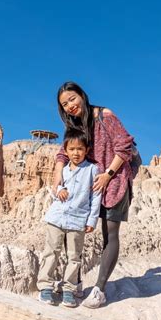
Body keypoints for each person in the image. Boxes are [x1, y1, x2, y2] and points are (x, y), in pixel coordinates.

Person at [53, 81, 134, 308]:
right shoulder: (75, 124)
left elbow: (124, 146)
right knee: (76, 229)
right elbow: (64, 150)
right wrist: (58, 171)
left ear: (82, 95)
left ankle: (99, 289)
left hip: (114, 178)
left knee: (110, 232)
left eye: (72, 99)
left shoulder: (104, 115)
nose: (70, 105)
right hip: (86, 184)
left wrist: (108, 174)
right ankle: (75, 282)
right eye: (64, 104)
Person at [37, 129, 102, 308]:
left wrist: (92, 220)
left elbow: (96, 197)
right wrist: (60, 190)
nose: (76, 153)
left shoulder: (92, 170)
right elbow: (56, 188)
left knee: (74, 256)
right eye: (72, 149)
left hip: (78, 220)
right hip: (56, 218)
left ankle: (69, 289)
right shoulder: (63, 171)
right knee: (51, 252)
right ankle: (45, 286)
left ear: (86, 150)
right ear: (65, 151)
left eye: (80, 149)